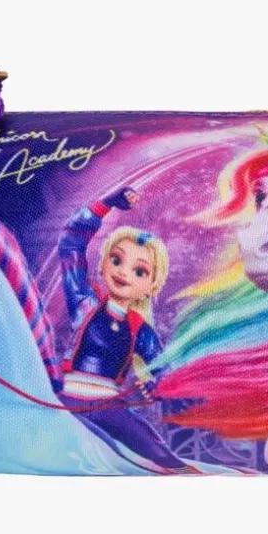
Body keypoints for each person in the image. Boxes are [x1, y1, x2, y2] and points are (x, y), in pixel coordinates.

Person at [57, 187, 184, 469]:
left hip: (110, 408)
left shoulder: (141, 331)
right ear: (103, 265)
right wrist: (105, 204)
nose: (124, 272)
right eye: (116, 260)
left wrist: (158, 388)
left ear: (151, 286)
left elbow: (163, 370)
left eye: (139, 271)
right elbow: (70, 244)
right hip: (67, 403)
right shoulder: (84, 302)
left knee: (160, 454)